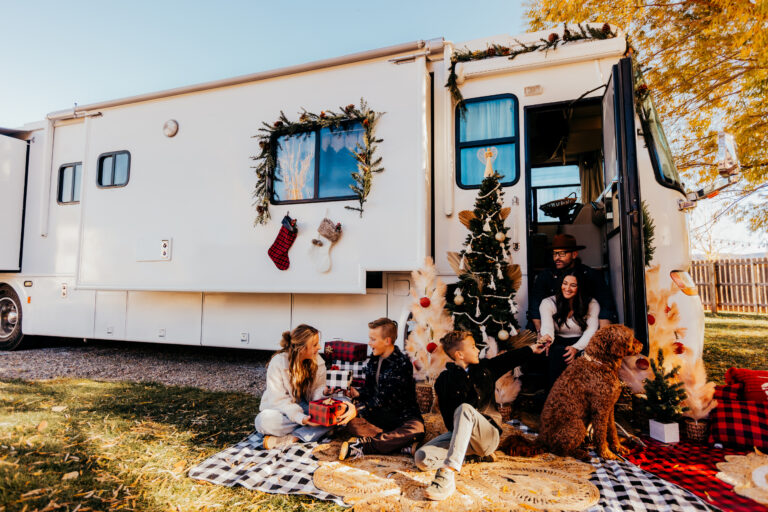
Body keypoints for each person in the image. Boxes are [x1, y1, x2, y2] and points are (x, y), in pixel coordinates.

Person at [415, 330, 549, 501]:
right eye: (473, 346)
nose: (478, 350)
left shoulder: (486, 368)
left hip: (487, 435)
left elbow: (510, 359)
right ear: (460, 354)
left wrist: (532, 348)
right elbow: (450, 421)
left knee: (465, 409)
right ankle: (473, 457)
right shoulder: (444, 381)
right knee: (421, 458)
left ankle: (448, 475)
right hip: (463, 437)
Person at [254, 324, 356, 449]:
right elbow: (279, 401)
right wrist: (301, 419)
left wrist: (324, 392)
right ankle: (317, 429)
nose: (319, 347)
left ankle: (293, 437)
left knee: (343, 408)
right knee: (262, 422)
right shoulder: (278, 363)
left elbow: (315, 396)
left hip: (310, 407)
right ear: (301, 348)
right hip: (284, 410)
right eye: (314, 345)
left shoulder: (318, 361)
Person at [338, 317, 425, 460]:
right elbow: (370, 390)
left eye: (373, 339)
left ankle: (362, 447)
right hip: (380, 417)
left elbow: (386, 399)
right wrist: (357, 393)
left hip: (403, 417)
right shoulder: (373, 360)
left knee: (417, 430)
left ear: (387, 341)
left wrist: (358, 409)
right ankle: (402, 446)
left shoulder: (402, 364)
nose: (369, 343)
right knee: (349, 423)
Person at [527, 234, 616, 332]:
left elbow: (606, 303)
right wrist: (540, 333)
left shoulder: (590, 274)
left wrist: (602, 333)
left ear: (574, 254)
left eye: (562, 254)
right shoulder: (546, 275)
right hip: (552, 327)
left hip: (583, 326)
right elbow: (535, 303)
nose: (557, 258)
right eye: (554, 254)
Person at [539, 272, 600, 388]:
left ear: (580, 287)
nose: (567, 288)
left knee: (581, 357)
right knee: (558, 353)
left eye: (573, 285)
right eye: (565, 284)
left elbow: (591, 331)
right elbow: (547, 327)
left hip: (582, 342)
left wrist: (576, 348)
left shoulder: (592, 303)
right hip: (557, 341)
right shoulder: (548, 303)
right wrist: (547, 337)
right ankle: (555, 396)